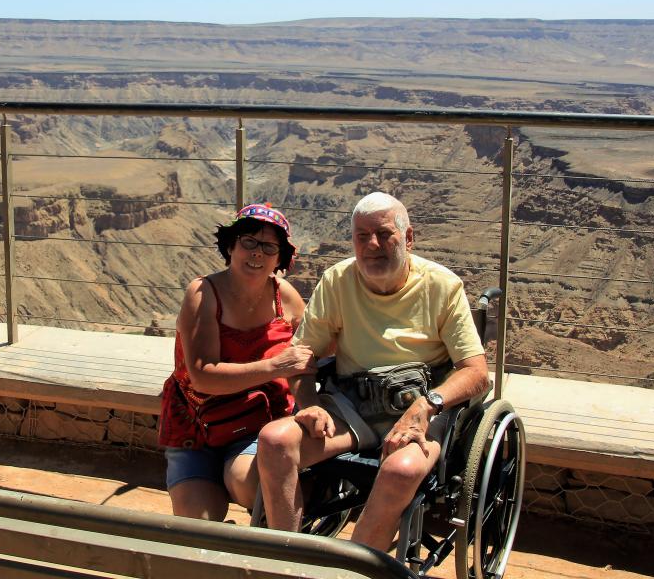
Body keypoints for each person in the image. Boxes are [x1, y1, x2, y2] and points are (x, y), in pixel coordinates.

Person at [256, 192, 489, 552]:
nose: (372, 245)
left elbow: (476, 372)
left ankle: (353, 569)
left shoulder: (442, 286)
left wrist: (426, 407)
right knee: (275, 441)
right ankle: (289, 560)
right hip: (352, 405)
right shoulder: (338, 280)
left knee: (402, 470)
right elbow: (302, 355)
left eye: (383, 234)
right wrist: (307, 402)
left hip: (419, 406)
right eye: (361, 236)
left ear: (408, 238)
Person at [158, 203, 316, 520]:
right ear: (231, 245)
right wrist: (275, 366)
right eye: (249, 241)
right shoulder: (202, 293)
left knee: (249, 487)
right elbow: (202, 375)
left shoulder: (286, 299)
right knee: (197, 529)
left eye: (269, 246)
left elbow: (311, 355)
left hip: (257, 425)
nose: (257, 253)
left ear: (280, 258)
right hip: (196, 426)